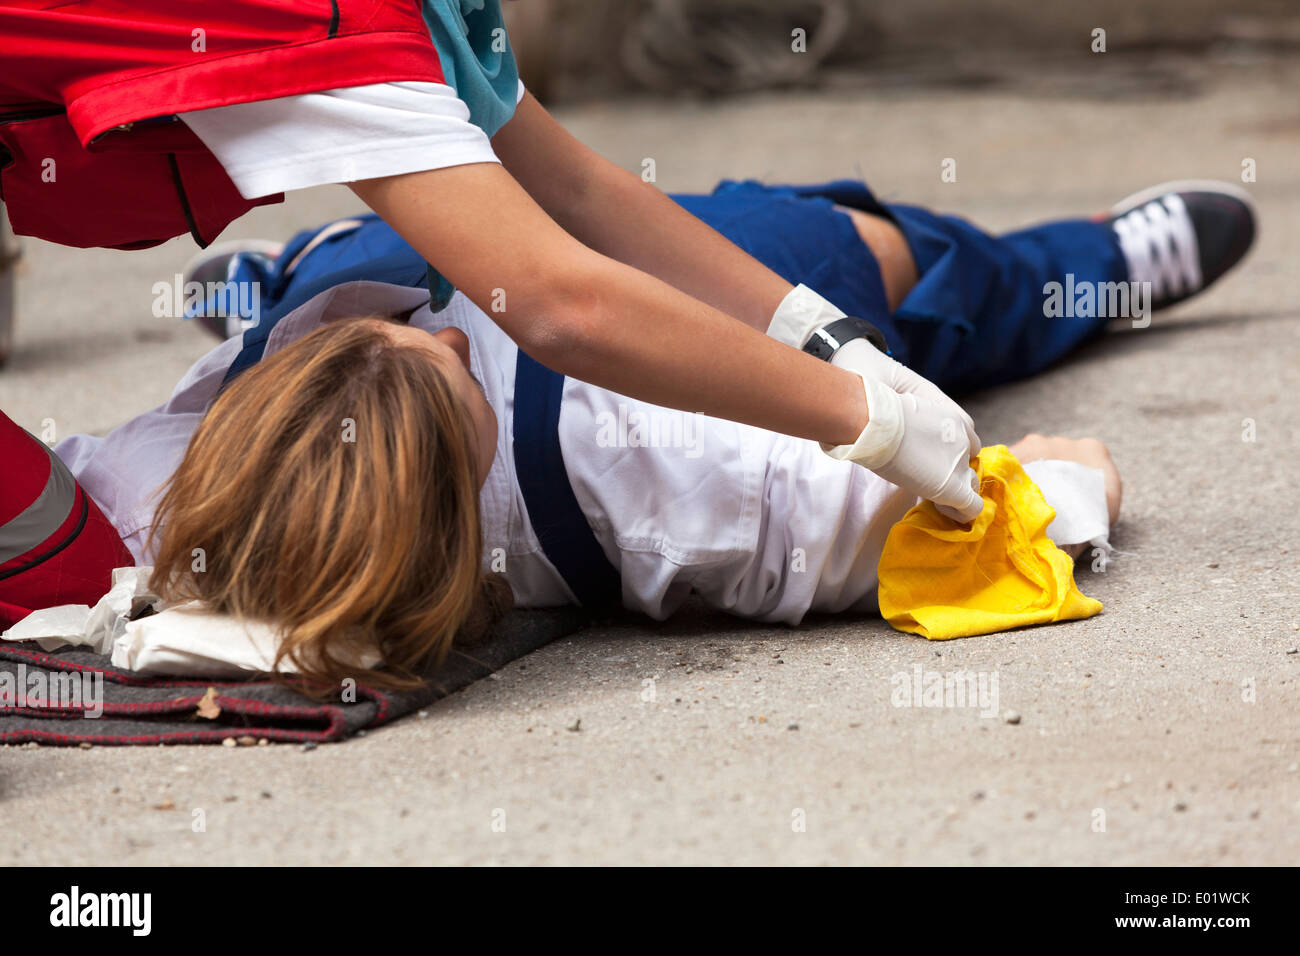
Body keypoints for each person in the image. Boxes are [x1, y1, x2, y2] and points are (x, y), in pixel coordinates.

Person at [18, 173, 1250, 684]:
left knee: (361, 259)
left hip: (408, 243)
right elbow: (1030, 497)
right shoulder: (677, 481)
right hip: (662, 334)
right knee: (863, 252)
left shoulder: (147, 486)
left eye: (395, 339)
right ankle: (1081, 265)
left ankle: (293, 276)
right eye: (449, 371)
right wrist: (1053, 489)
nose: (449, 339)